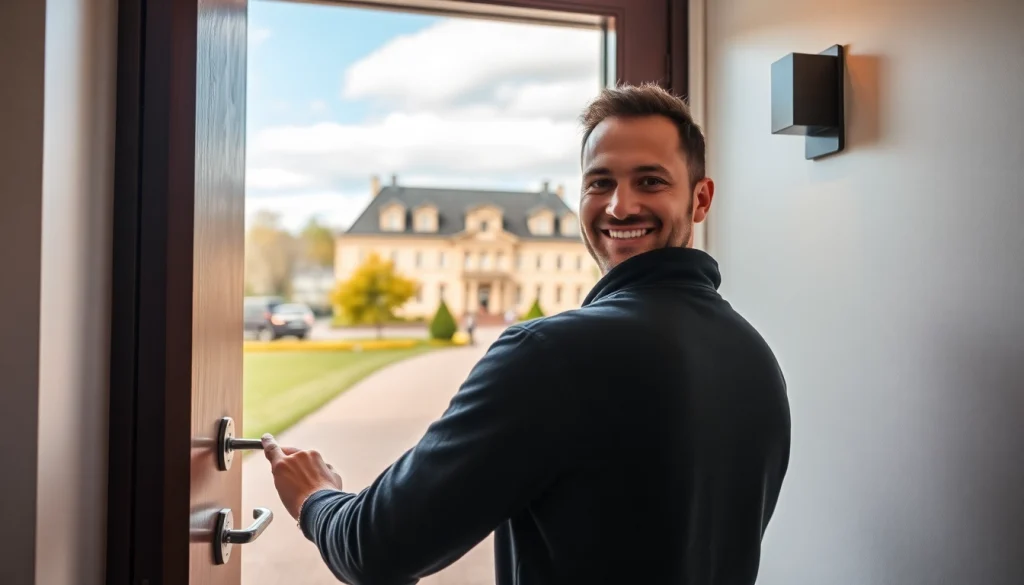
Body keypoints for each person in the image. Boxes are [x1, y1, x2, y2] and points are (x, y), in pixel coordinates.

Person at [261, 82, 791, 585]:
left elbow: (376, 550)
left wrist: (316, 498)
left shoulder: (551, 354)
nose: (619, 206)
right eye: (600, 182)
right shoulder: (755, 356)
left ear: (700, 199)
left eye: (650, 181)